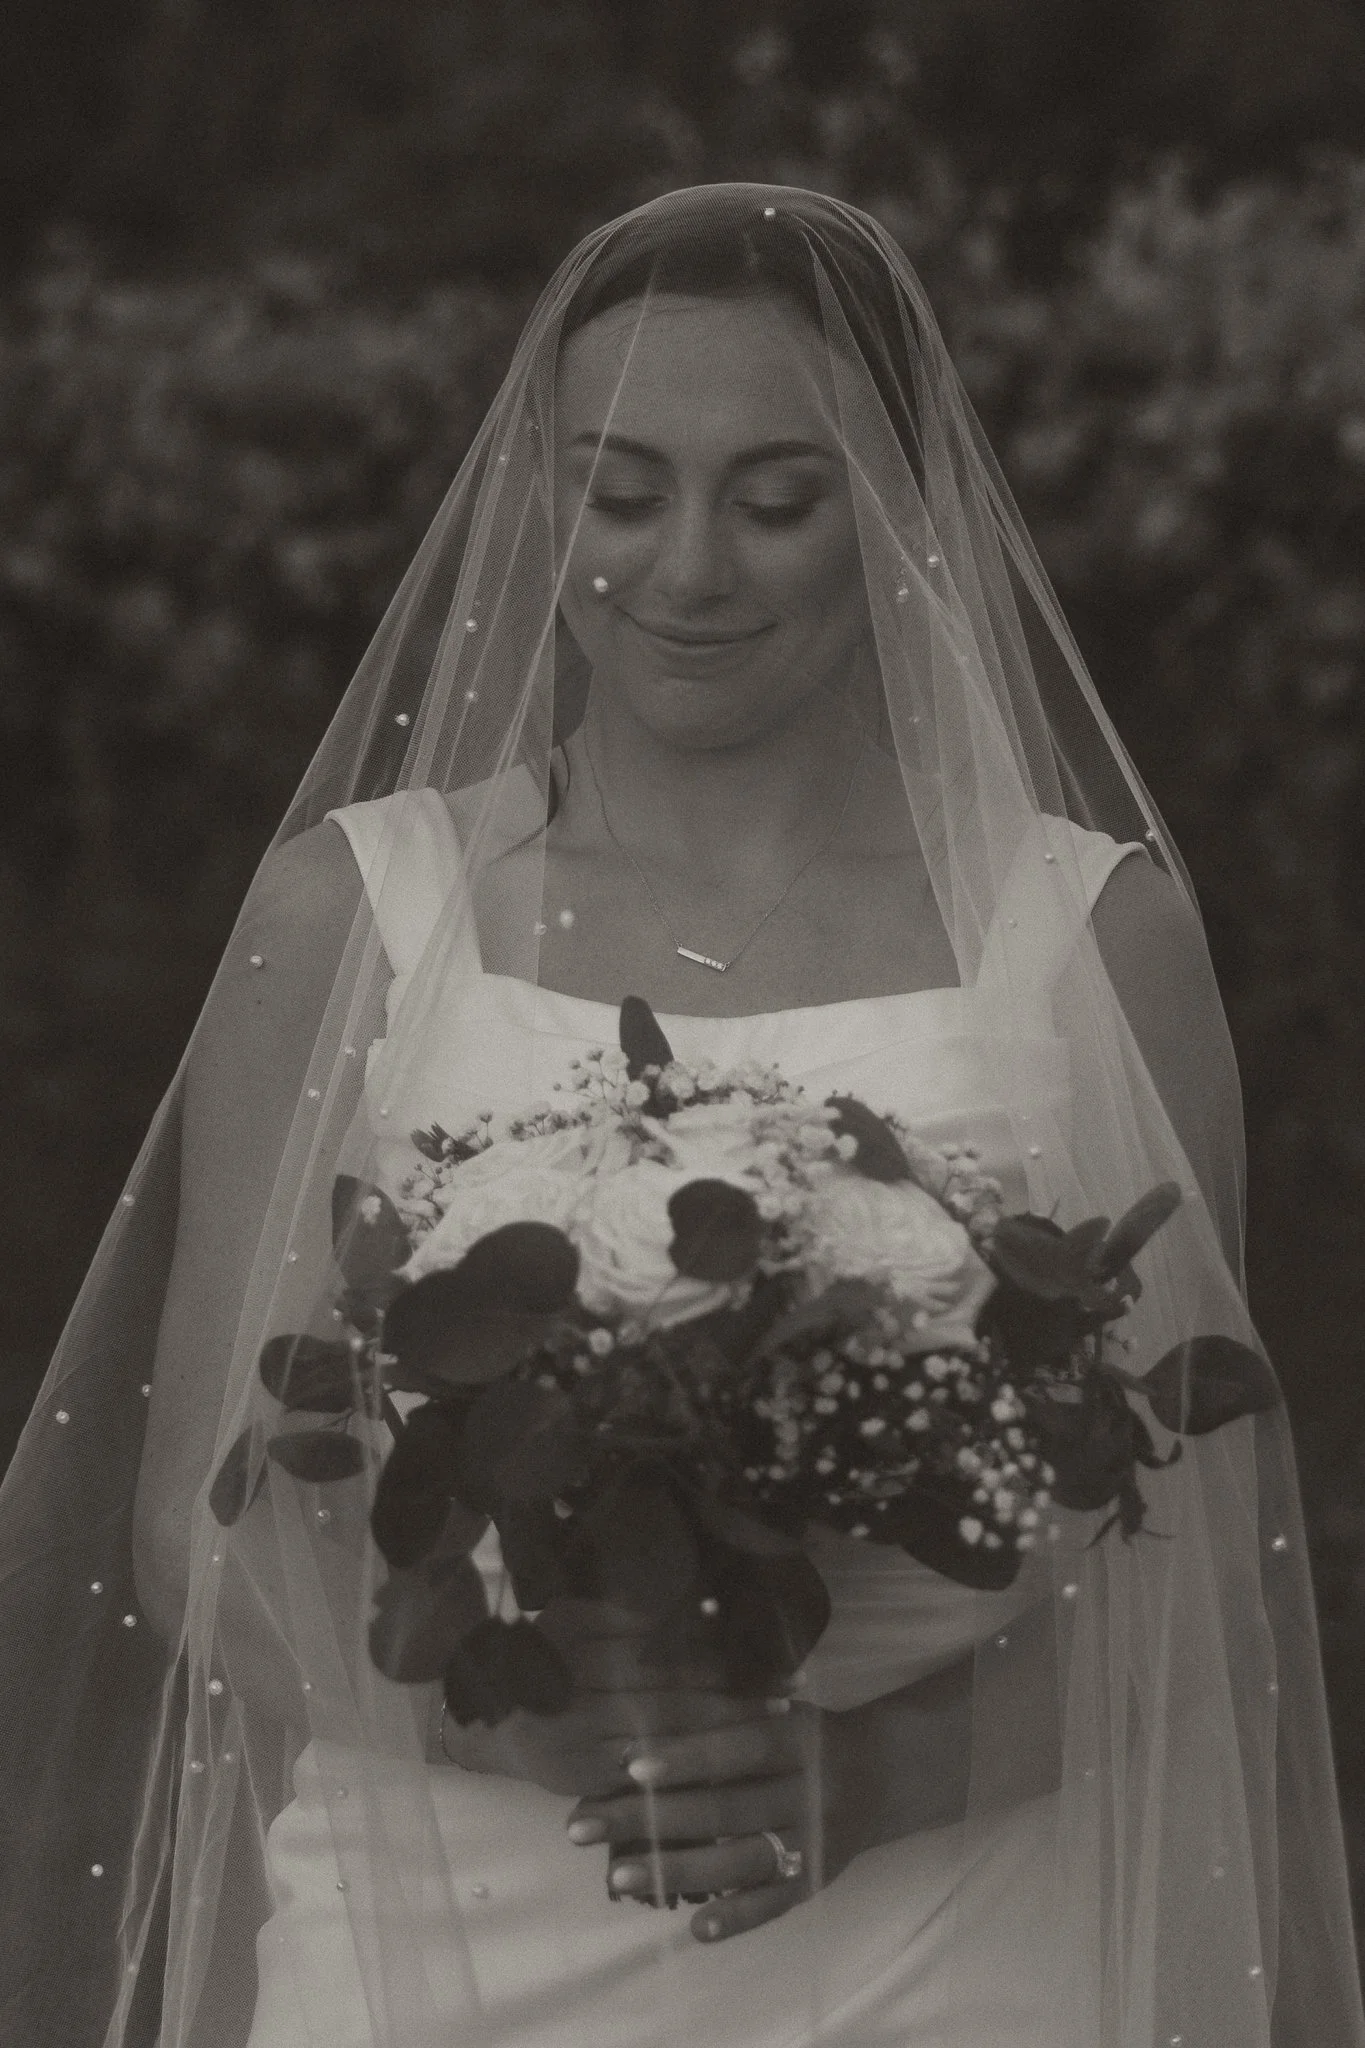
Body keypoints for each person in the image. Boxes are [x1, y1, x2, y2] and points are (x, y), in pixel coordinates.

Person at [0, 184, 1358, 2048]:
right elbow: (199, 1528)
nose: (688, 565)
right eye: (618, 492)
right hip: (443, 1894)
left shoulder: (1089, 936)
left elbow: (1199, 1534)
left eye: (779, 499)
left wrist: (875, 1780)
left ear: (901, 524)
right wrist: (537, 1720)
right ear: (536, 502)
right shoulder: (356, 917)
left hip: (949, 1915)